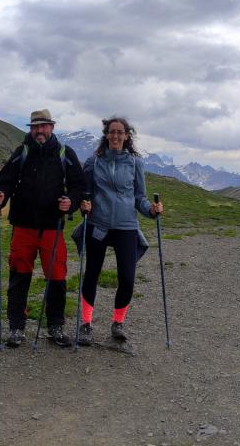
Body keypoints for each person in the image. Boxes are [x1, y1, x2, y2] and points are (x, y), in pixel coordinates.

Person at [0, 109, 85, 348]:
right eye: (35, 127)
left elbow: (78, 185)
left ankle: (55, 326)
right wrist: (0, 195)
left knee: (57, 277)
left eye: (43, 126)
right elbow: (5, 181)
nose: (39, 131)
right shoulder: (22, 152)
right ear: (31, 129)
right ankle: (16, 327)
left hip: (52, 227)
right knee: (19, 276)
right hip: (23, 226)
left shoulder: (65, 153)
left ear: (52, 127)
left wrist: (71, 202)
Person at [77, 116, 163, 344]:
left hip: (126, 226)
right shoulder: (94, 162)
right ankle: (85, 324)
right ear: (106, 135)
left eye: (120, 132)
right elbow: (86, 193)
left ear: (126, 136)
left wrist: (151, 210)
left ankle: (118, 323)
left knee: (127, 277)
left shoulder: (135, 163)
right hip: (98, 224)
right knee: (92, 274)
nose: (115, 136)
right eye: (112, 132)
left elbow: (139, 197)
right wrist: (84, 205)